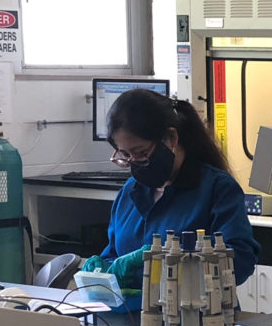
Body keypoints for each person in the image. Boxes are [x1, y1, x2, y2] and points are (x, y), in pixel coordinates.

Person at [82, 89, 259, 308]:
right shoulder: (130, 192)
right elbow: (116, 254)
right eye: (126, 155)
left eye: (141, 152)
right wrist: (103, 271)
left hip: (200, 321)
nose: (135, 162)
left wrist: (164, 255)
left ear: (171, 138)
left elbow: (240, 262)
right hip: (132, 321)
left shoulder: (216, 188)